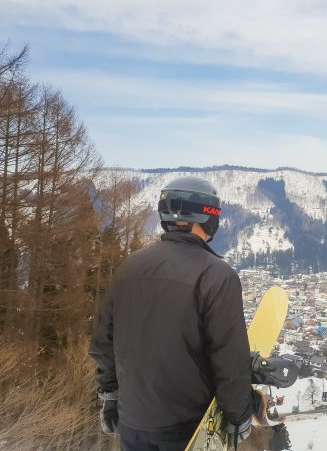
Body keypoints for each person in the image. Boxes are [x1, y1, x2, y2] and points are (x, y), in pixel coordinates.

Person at [90, 177, 253, 451]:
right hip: (188, 426)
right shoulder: (217, 275)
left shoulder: (129, 267)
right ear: (208, 216)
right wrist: (238, 416)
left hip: (133, 421)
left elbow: (104, 344)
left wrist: (111, 395)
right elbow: (229, 358)